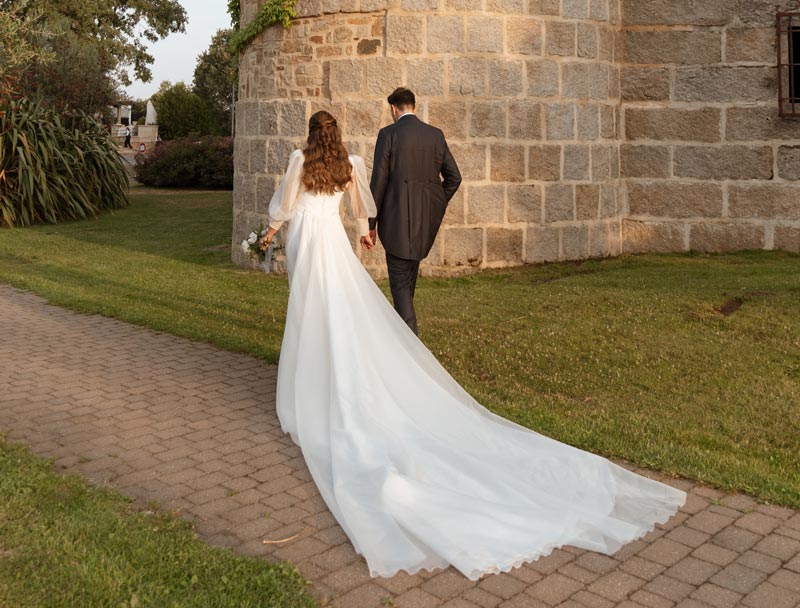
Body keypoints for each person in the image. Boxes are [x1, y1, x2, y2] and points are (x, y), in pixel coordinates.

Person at [261, 109, 685, 581]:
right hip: (333, 248)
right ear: (335, 134)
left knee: (310, 315)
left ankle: (314, 387)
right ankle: (336, 375)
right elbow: (363, 208)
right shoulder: (349, 163)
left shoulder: (301, 161)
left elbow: (284, 206)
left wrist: (268, 237)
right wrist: (364, 234)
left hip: (308, 245)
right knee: (338, 312)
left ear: (309, 135)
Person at [368, 87, 461, 334]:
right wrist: (435, 203)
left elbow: (378, 181)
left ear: (394, 109)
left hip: (395, 225)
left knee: (401, 292)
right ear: (415, 107)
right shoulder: (435, 135)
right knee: (406, 288)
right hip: (423, 225)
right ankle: (403, 344)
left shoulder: (388, 134)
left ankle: (412, 352)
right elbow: (454, 178)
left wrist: (370, 224)